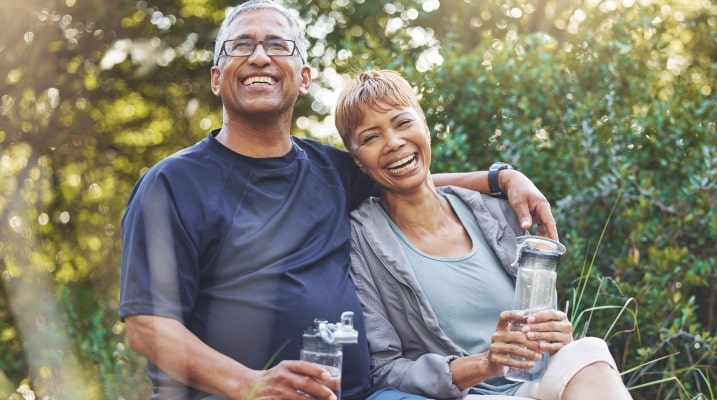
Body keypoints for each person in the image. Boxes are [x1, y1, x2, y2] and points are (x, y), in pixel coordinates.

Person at [117, 2, 559, 400]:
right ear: (217, 78)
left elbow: (406, 174)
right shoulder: (171, 185)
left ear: (304, 77)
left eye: (277, 44)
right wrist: (250, 383)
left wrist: (501, 177)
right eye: (240, 46)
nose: (258, 56)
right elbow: (147, 328)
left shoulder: (329, 170)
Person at [335, 70, 633, 400]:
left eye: (403, 123)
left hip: (536, 385)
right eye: (371, 137)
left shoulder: (496, 212)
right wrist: (486, 364)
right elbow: (385, 369)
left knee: (590, 350)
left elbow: (541, 326)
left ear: (424, 125)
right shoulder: (360, 242)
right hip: (467, 396)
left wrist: (556, 333)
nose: (393, 143)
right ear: (357, 160)